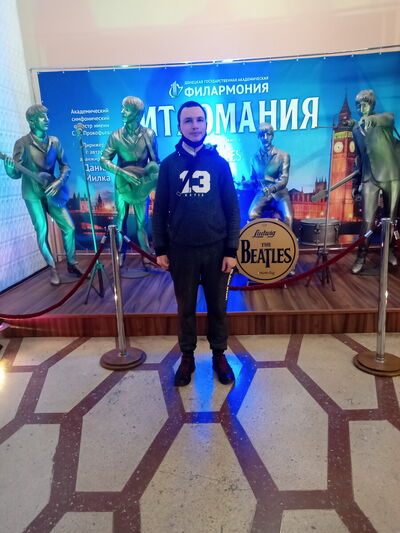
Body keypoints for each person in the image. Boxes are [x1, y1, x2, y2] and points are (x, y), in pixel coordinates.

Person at [152, 101, 240, 387]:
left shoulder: (219, 163)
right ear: (179, 126)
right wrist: (161, 249)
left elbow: (232, 209)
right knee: (185, 307)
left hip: (216, 249)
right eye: (188, 120)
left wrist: (231, 249)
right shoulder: (168, 165)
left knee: (218, 307)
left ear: (206, 124)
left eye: (199, 120)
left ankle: (219, 355)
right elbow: (159, 209)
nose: (194, 125)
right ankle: (187, 356)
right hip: (182, 250)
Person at [3, 104, 81, 286]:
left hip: (52, 189)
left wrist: (59, 181)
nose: (46, 120)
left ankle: (72, 263)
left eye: (47, 116)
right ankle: (52, 268)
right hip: (32, 194)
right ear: (31, 121)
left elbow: (66, 165)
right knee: (42, 231)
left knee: (69, 228)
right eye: (42, 117)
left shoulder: (54, 141)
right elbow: (16, 173)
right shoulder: (22, 143)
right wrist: (9, 168)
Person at [100, 96, 159, 265]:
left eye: (126, 109)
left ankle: (146, 254)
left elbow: (155, 161)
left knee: (142, 222)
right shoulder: (115, 136)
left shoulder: (149, 134)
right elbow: (103, 160)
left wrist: (153, 174)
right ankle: (120, 253)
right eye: (122, 108)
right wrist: (123, 173)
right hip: (123, 185)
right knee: (121, 219)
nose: (122, 112)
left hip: (141, 185)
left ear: (137, 114)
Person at [350, 90, 400, 274]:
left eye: (364, 104)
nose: (360, 108)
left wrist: (371, 119)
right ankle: (361, 256)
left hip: (391, 176)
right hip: (368, 178)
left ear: (372, 105)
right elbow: (358, 157)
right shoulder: (356, 130)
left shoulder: (384, 120)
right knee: (367, 221)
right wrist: (356, 183)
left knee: (390, 219)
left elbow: (389, 119)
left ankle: (388, 252)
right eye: (357, 105)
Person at [248, 122, 293, 228]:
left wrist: (271, 188)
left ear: (272, 136)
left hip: (280, 194)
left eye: (268, 134)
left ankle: (286, 238)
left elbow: (284, 179)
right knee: (252, 214)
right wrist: (241, 184)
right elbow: (253, 180)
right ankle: (260, 236)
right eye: (262, 135)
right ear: (258, 137)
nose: (265, 138)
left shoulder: (284, 155)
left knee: (288, 218)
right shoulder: (254, 158)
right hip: (262, 193)